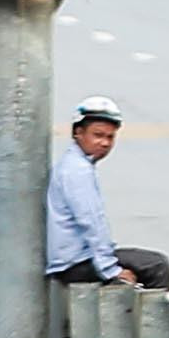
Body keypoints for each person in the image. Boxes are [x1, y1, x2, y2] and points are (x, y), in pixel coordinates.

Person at [46, 95, 158, 287]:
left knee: (144, 261)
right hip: (74, 263)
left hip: (75, 258)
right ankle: (160, 316)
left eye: (110, 137)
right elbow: (91, 222)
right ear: (78, 133)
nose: (105, 143)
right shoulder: (77, 171)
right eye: (98, 135)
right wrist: (111, 271)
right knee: (156, 266)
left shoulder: (75, 165)